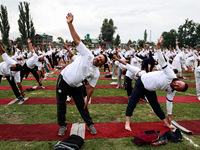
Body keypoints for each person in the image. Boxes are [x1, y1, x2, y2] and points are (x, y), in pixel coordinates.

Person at [56, 13, 107, 136]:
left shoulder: (96, 72)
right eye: (99, 57)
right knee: (61, 104)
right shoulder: (88, 55)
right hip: (64, 80)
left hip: (77, 85)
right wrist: (70, 24)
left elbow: (91, 88)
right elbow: (77, 40)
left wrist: (87, 99)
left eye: (101, 60)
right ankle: (62, 125)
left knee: (82, 106)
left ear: (101, 65)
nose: (99, 59)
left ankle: (90, 124)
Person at [125, 36, 188, 131]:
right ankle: (127, 122)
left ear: (178, 90)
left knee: (156, 106)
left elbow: (169, 102)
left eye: (178, 87)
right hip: (142, 82)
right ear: (179, 80)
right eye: (178, 83)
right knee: (133, 101)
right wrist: (158, 47)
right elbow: (162, 61)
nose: (176, 85)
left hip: (151, 89)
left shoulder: (172, 90)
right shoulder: (170, 74)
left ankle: (166, 123)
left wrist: (169, 116)